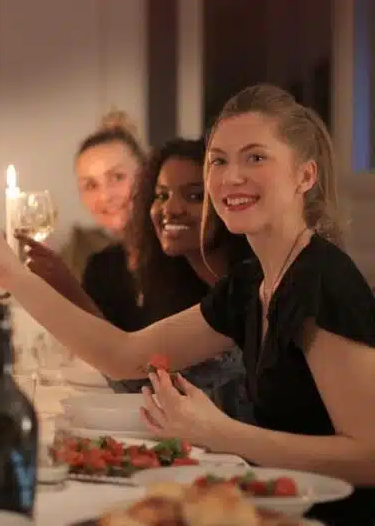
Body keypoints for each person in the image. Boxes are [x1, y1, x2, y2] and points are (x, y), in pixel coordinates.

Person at [0, 84, 375, 524]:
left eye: (256, 157)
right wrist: (11, 273)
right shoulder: (253, 281)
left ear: (304, 176)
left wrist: (220, 433)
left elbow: (368, 455)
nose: (231, 177)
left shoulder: (321, 279)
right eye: (218, 160)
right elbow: (123, 356)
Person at [22, 138, 251, 418]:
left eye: (194, 196)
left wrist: (18, 278)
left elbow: (134, 374)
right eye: (162, 195)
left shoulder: (248, 285)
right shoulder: (175, 278)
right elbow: (142, 384)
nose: (172, 208)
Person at [59, 112, 145, 280]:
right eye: (90, 185)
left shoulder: (177, 251)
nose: (105, 196)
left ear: (145, 175)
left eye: (118, 177)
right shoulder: (101, 265)